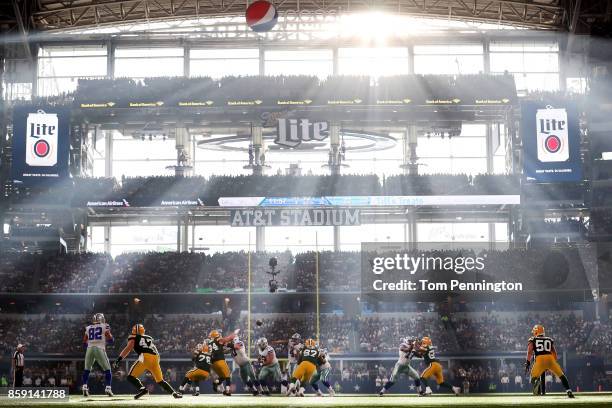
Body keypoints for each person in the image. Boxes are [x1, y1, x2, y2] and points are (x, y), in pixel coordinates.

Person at [113, 324, 182, 400]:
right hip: (155, 357)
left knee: (130, 377)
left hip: (145, 357)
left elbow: (128, 348)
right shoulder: (148, 337)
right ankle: (174, 393)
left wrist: (118, 359)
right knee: (160, 381)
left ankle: (143, 389)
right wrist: (157, 359)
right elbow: (154, 348)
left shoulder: (133, 337)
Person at [524, 324, 574, 398]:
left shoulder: (533, 339)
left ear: (536, 332)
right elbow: (554, 352)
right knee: (562, 376)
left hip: (539, 359)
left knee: (533, 378)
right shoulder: (549, 339)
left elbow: (530, 352)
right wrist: (553, 363)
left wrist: (527, 362)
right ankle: (569, 391)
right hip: (550, 358)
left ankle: (536, 382)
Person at [82, 313, 114, 397]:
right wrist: (107, 341)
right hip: (99, 348)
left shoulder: (88, 327)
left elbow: (84, 341)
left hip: (89, 349)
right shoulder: (105, 326)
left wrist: (90, 345)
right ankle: (108, 388)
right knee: (108, 370)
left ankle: (84, 387)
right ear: (101, 319)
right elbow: (110, 339)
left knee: (87, 370)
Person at [208, 329, 237, 396]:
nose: (219, 335)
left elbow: (220, 350)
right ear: (216, 335)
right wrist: (234, 334)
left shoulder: (209, 343)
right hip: (220, 360)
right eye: (218, 334)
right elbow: (226, 340)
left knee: (222, 377)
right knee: (228, 375)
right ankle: (227, 390)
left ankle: (216, 382)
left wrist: (229, 348)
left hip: (213, 363)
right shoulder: (218, 340)